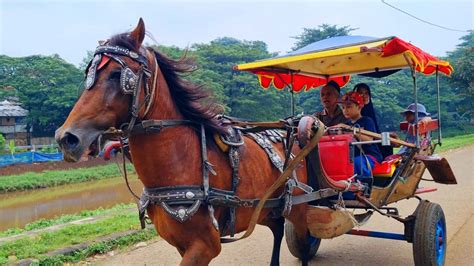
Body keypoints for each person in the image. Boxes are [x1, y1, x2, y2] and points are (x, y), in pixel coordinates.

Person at [340, 92, 383, 178]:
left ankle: (363, 187)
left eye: (349, 107)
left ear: (359, 107)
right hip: (352, 156)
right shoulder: (345, 124)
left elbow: (369, 141)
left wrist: (352, 133)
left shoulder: (367, 121)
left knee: (358, 163)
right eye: (343, 107)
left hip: (370, 156)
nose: (345, 110)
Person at [353, 83, 394, 158]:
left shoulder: (369, 111)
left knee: (387, 146)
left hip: (373, 142)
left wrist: (385, 136)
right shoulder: (352, 113)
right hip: (361, 145)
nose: (364, 96)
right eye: (360, 93)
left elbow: (373, 131)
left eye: (366, 93)